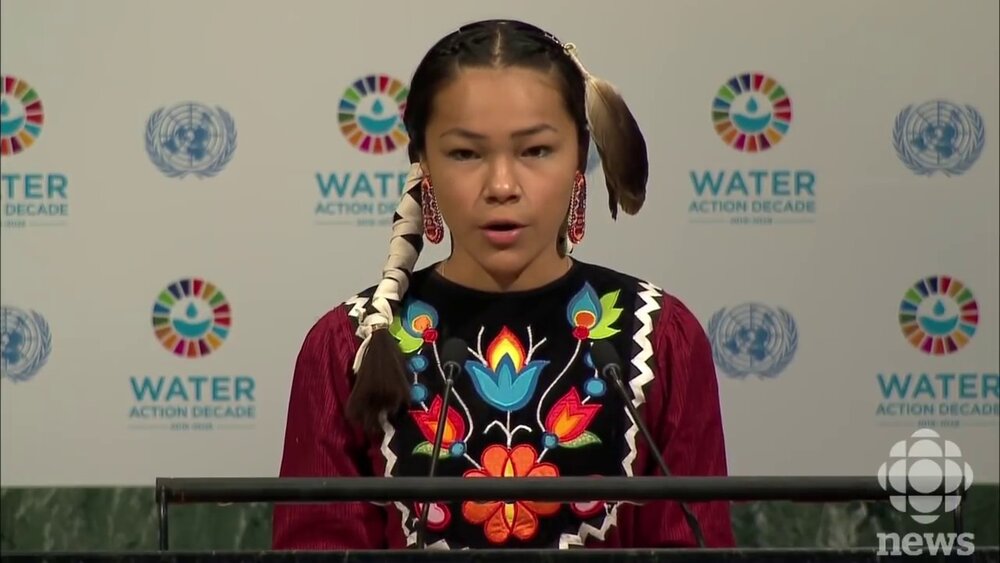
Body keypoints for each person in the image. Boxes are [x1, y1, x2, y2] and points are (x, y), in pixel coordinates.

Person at [272, 19, 735, 550]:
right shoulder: (346, 347)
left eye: (535, 151)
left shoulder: (661, 337)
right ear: (422, 164)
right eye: (465, 153)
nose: (502, 186)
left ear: (580, 159)